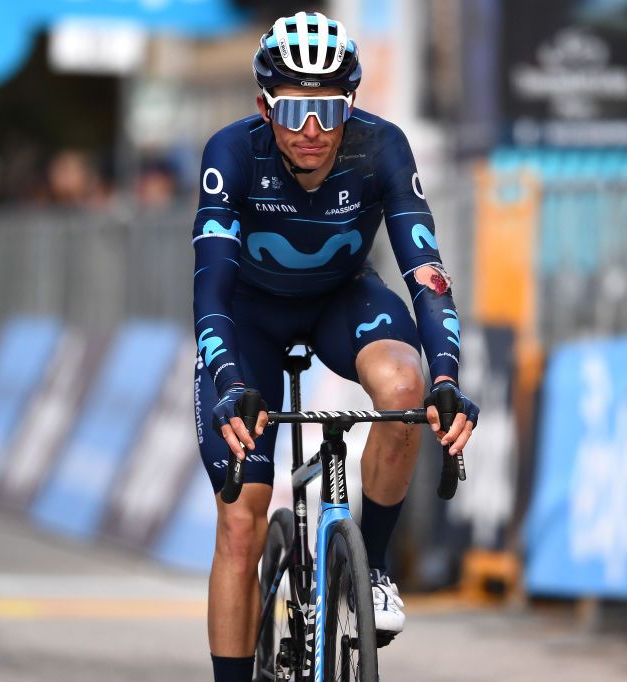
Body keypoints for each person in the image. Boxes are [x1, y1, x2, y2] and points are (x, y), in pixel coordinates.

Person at [191, 12, 479, 682]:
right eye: (294, 110)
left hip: (340, 300)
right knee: (241, 521)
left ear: (351, 104)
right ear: (265, 107)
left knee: (406, 389)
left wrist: (445, 374)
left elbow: (426, 274)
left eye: (329, 109)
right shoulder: (232, 153)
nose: (313, 130)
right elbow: (210, 290)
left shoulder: (381, 148)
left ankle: (371, 568)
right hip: (249, 322)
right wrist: (230, 377)